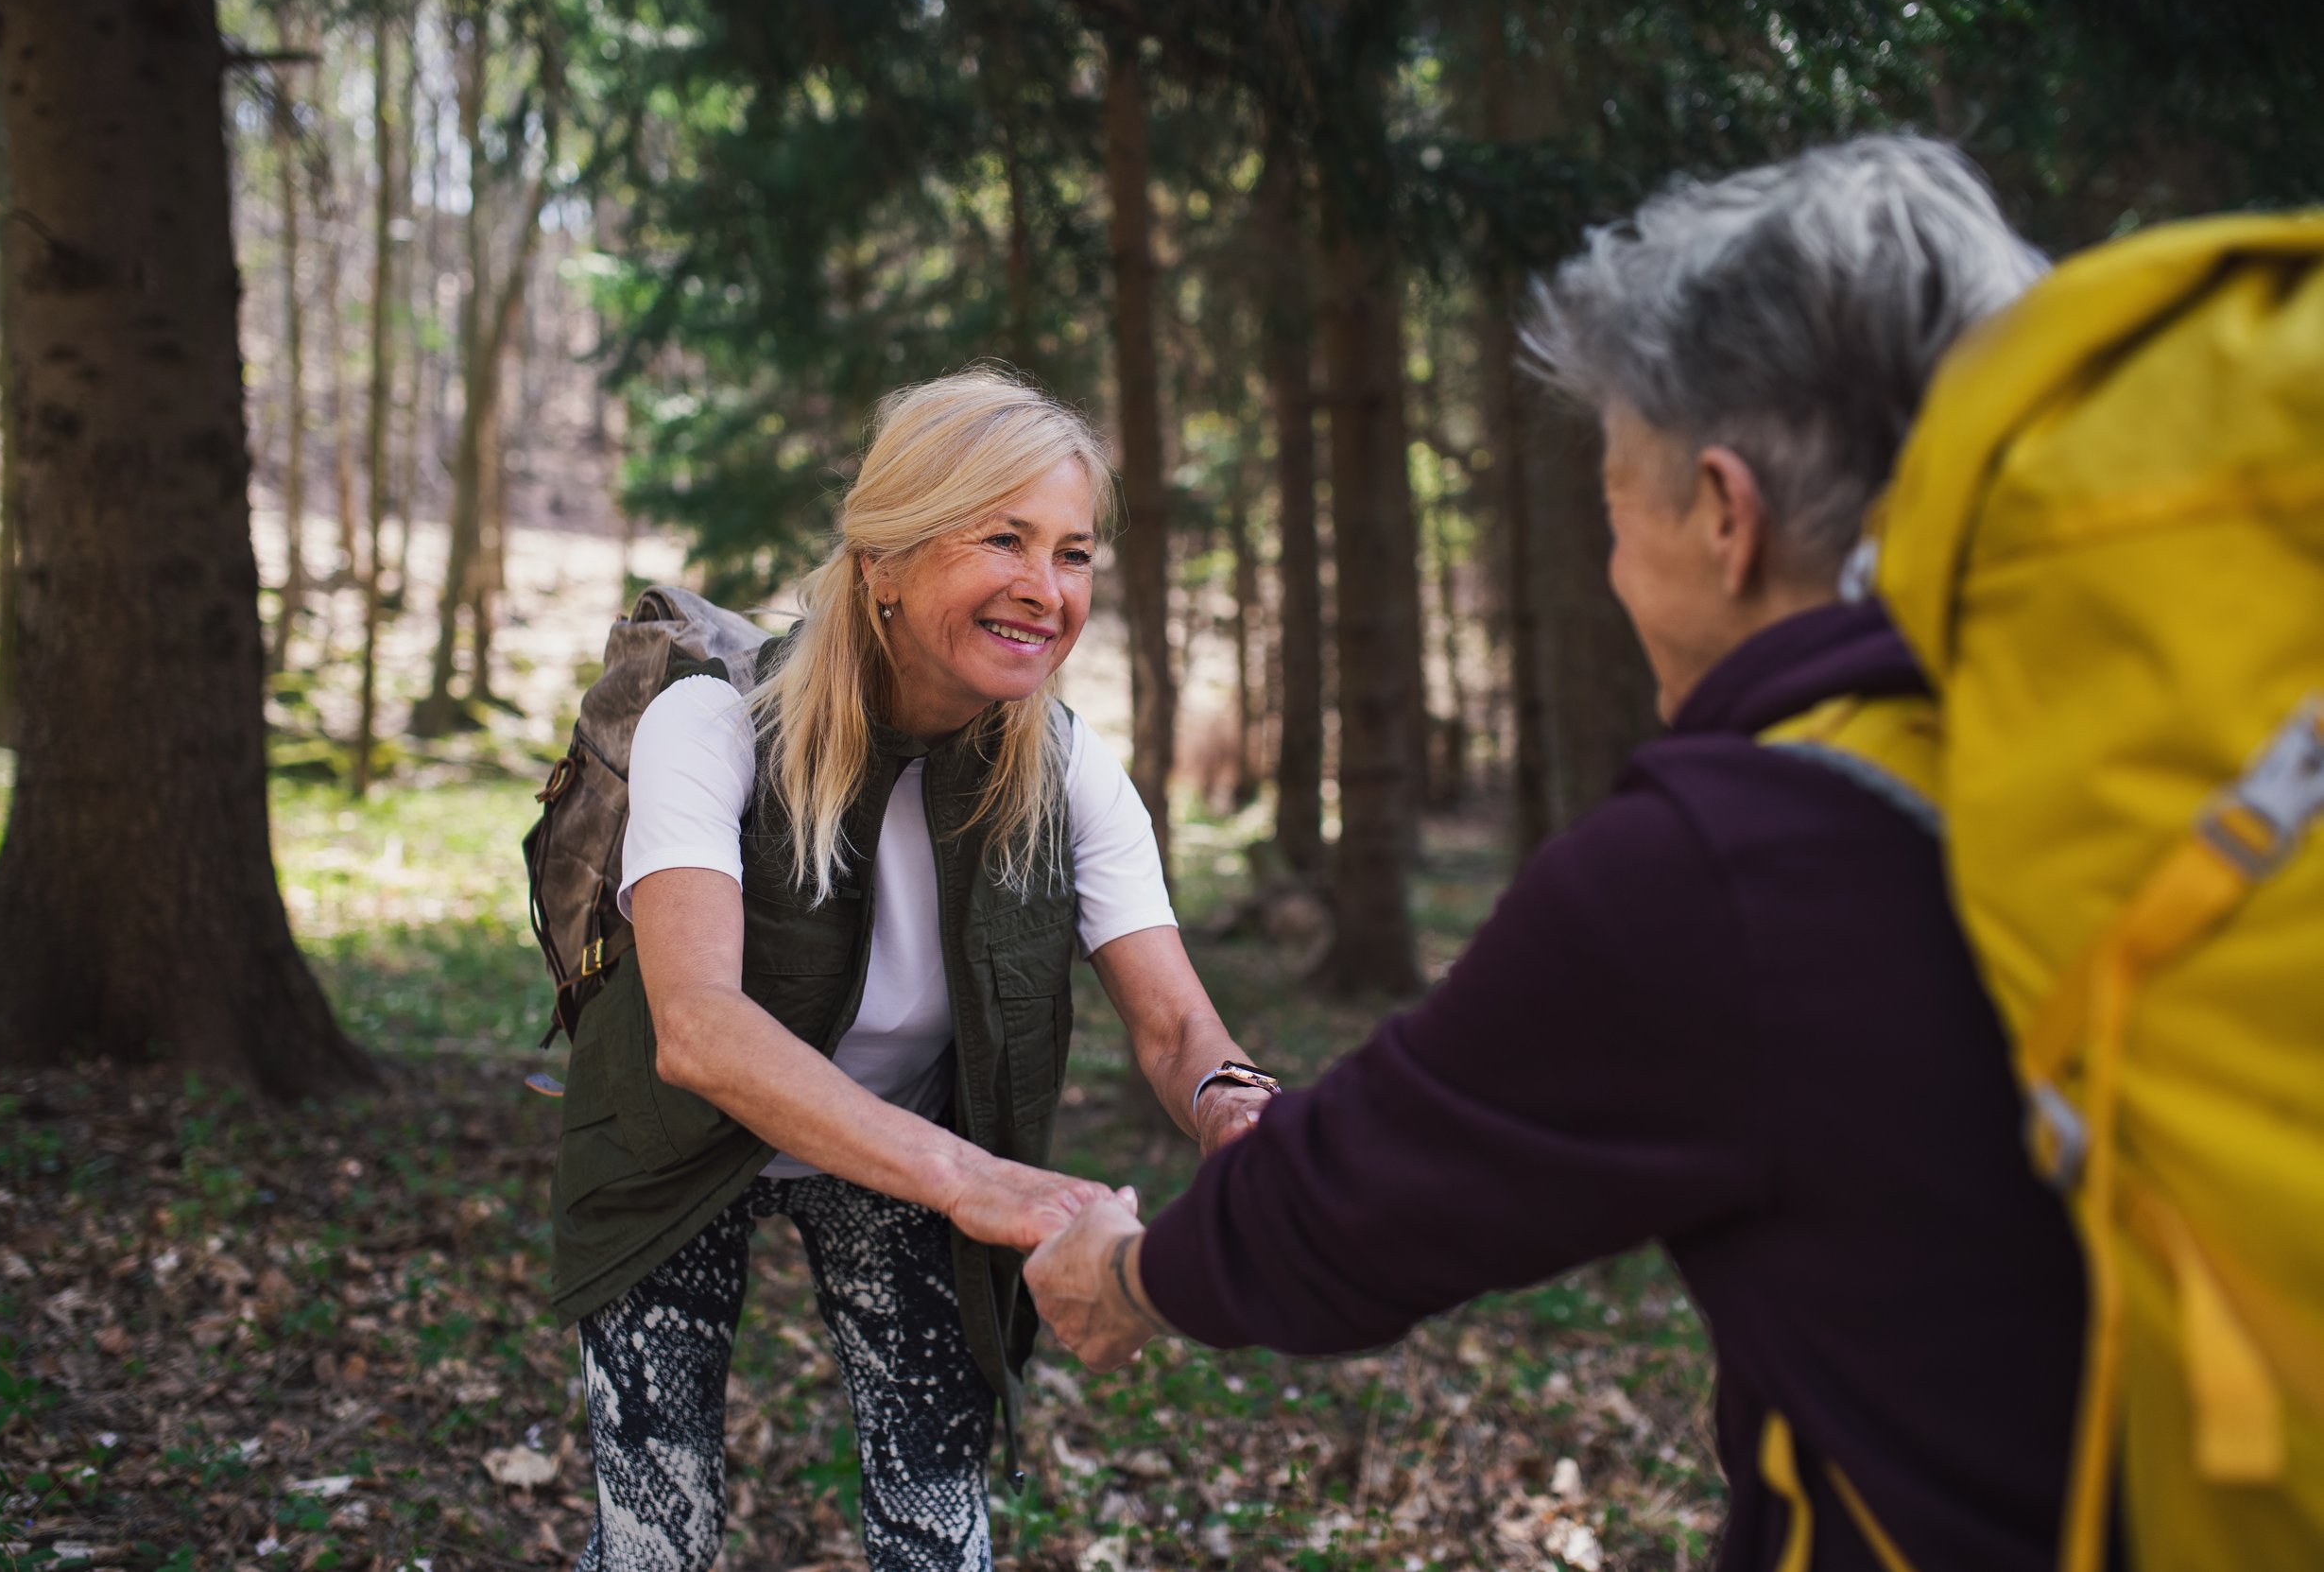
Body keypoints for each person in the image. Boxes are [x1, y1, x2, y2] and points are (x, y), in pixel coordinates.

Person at [1027, 135, 2100, 1571]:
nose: (1610, 567)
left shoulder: (1732, 863)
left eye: (1616, 503)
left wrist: (1129, 1273)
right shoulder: (2133, 743)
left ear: (1726, 513)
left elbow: (1359, 1199)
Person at [549, 369, 1273, 1572]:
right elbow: (699, 1027)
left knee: (941, 1539)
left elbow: (1174, 1025)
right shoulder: (711, 723)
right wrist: (975, 1177)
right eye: (1003, 537)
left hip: (900, 1147)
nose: (1046, 589)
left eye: (1074, 552)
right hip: (678, 1137)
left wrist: (1232, 1101)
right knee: (653, 1548)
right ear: (884, 556)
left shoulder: (1068, 770)